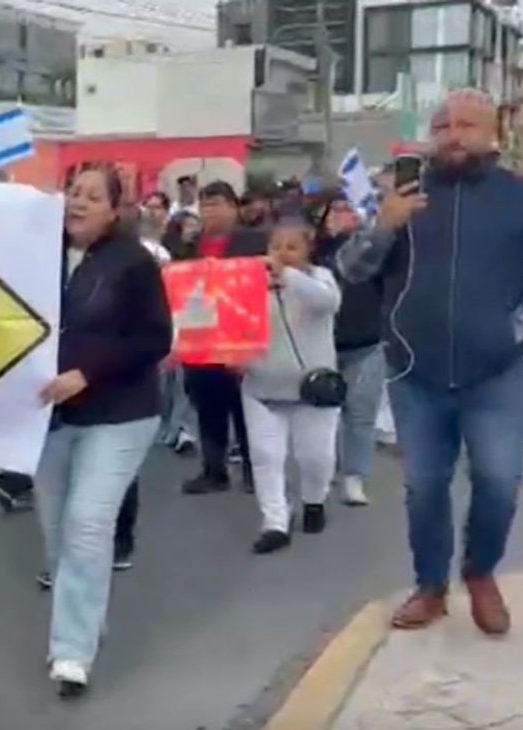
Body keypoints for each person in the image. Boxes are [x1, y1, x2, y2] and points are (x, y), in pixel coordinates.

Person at [336, 89, 523, 635]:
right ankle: (431, 585)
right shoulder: (398, 197)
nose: (453, 134)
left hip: (498, 373)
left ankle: (481, 572)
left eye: (467, 124)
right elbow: (349, 269)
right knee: (423, 485)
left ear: (494, 134)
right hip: (414, 373)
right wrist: (385, 224)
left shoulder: (516, 196)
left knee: (498, 480)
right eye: (443, 125)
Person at [34, 164, 172, 696]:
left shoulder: (133, 263)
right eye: (74, 192)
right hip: (48, 416)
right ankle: (87, 618)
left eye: (94, 196)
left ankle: (72, 650)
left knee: (88, 525)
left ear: (116, 210)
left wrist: (87, 373)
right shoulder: (36, 254)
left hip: (121, 413)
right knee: (56, 535)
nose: (79, 202)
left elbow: (155, 339)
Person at [241, 219, 342, 554]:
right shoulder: (250, 282)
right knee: (266, 456)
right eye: (276, 246)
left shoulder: (319, 279)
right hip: (262, 385)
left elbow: (328, 303)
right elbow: (232, 319)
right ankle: (275, 522)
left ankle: (314, 500)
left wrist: (287, 276)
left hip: (313, 389)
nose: (282, 253)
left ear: (308, 249)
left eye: (291, 247)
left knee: (316, 456)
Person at [177, 182, 266, 495]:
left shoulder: (255, 240)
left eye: (216, 204)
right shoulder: (190, 245)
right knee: (207, 408)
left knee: (245, 409)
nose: (209, 211)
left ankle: (255, 472)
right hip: (201, 338)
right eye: (205, 205)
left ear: (233, 207)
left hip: (239, 336)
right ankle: (214, 470)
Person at [312, 192, 382, 506]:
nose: (341, 215)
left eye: (347, 209)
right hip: (322, 342)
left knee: (361, 412)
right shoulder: (312, 250)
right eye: (335, 209)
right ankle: (323, 476)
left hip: (368, 341)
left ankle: (355, 477)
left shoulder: (370, 249)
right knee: (323, 414)